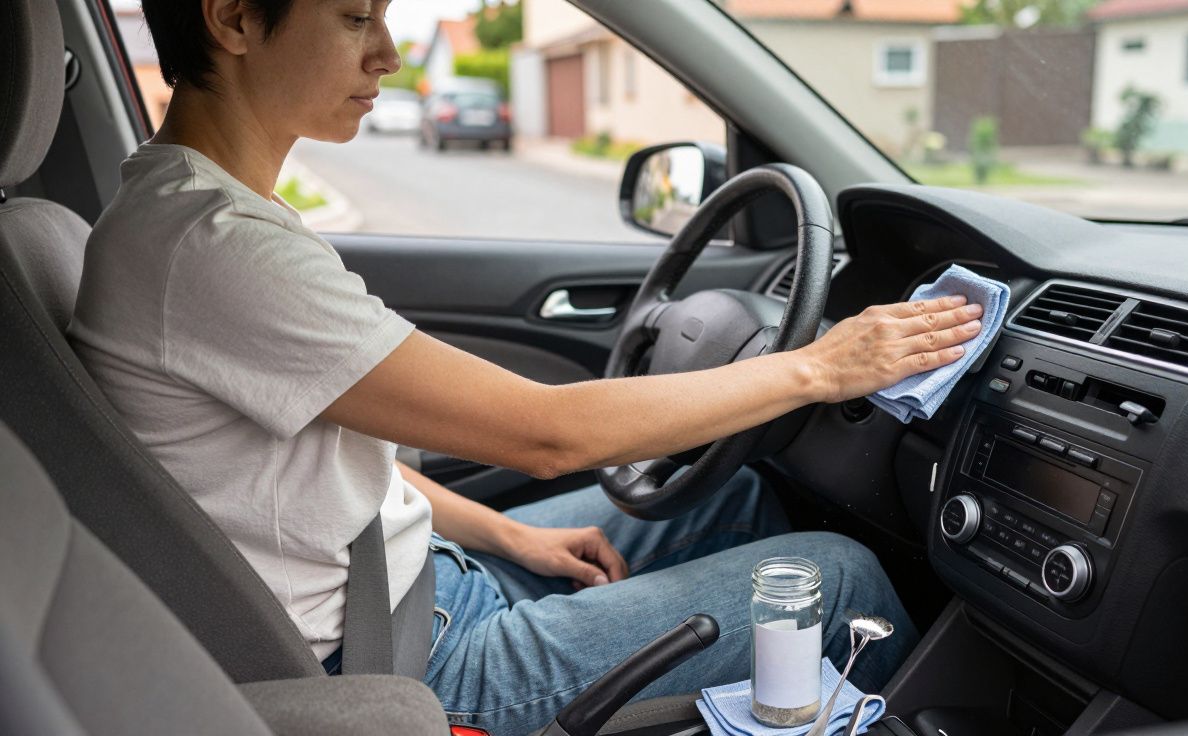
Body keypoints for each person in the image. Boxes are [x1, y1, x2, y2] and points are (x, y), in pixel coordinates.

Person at [69, 0, 986, 732]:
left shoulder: (200, 215)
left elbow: (348, 478)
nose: (388, 53)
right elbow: (545, 434)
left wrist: (510, 539)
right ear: (231, 19)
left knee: (730, 497)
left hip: (412, 583)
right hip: (395, 664)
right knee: (837, 579)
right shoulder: (215, 247)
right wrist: (821, 368)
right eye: (356, 17)